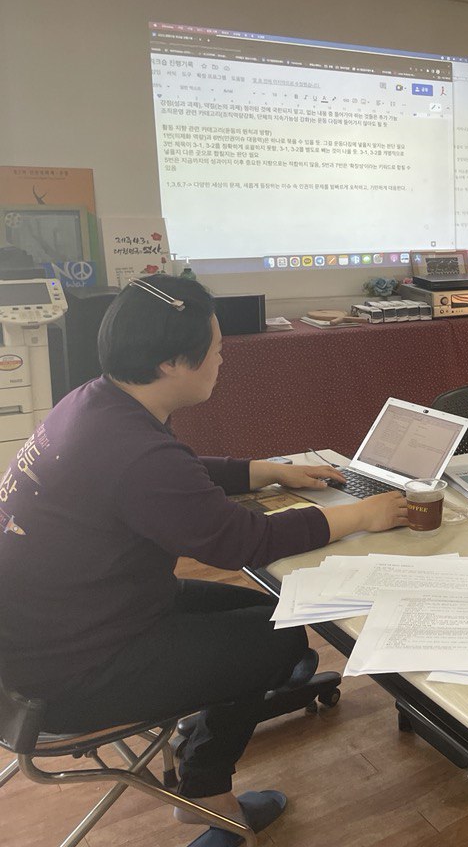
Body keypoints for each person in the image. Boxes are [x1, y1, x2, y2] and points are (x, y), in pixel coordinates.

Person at [0, 274, 408, 847]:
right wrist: (362, 515)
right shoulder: (133, 449)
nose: (222, 359)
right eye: (216, 349)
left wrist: (266, 471)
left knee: (272, 615)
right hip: (70, 676)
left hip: (63, 629)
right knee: (279, 639)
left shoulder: (94, 402)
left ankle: (209, 720)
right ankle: (206, 793)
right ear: (172, 362)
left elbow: (170, 473)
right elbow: (240, 541)